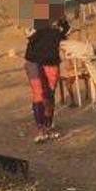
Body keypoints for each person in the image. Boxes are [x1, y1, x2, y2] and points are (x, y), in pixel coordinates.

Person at [24, 12, 70, 143]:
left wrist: (61, 22)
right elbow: (28, 35)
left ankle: (48, 125)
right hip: (34, 60)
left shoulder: (61, 20)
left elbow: (64, 36)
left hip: (52, 60)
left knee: (49, 94)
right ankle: (40, 129)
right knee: (39, 93)